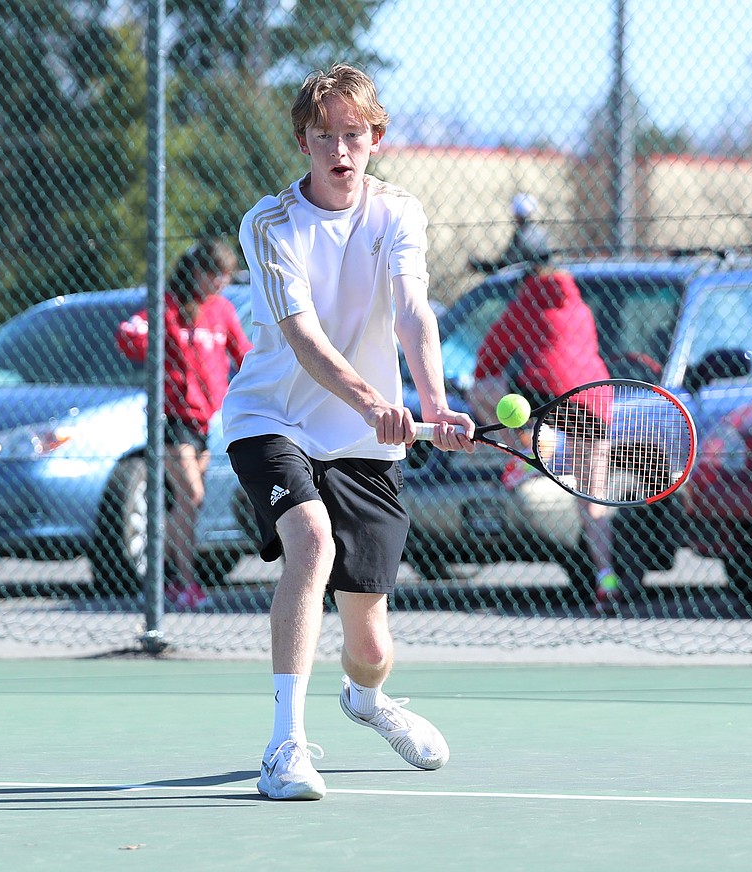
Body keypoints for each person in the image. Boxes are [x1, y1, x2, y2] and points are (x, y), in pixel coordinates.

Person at [222, 63, 474, 801]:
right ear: (303, 142)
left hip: (365, 443)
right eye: (324, 136)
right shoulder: (269, 224)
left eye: (353, 135)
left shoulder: (399, 213)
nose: (340, 150)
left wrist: (437, 402)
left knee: (370, 645)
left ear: (375, 139)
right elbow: (301, 337)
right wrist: (373, 400)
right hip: (272, 420)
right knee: (311, 542)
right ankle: (285, 746)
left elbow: (413, 313)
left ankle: (365, 700)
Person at [468, 255, 621, 614]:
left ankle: (527, 458)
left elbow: (488, 359)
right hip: (597, 400)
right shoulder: (580, 307)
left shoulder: (527, 302)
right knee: (592, 500)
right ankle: (606, 578)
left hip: (551, 394)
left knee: (482, 391)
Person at [116, 239, 252, 610]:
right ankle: (183, 581)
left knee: (185, 504)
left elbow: (244, 353)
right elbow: (130, 335)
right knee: (191, 495)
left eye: (226, 276)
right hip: (172, 419)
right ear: (197, 273)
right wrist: (139, 335)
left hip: (204, 420)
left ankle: (168, 573)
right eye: (215, 275)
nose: (221, 283)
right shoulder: (168, 308)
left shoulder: (222, 311)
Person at [468, 192, 552, 273]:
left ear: (516, 215)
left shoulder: (522, 234)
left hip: (524, 280)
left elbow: (505, 265)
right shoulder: (541, 231)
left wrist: (478, 265)